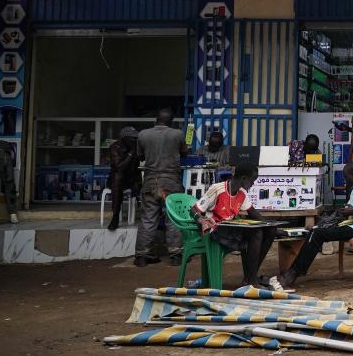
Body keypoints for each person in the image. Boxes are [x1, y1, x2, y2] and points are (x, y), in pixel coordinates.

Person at [270, 161, 353, 292]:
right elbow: (348, 212)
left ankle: (291, 275)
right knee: (316, 232)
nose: (345, 180)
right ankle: (291, 273)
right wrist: (322, 222)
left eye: (346, 176)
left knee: (318, 234)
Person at [192, 163, 275, 287]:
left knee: (271, 231)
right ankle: (251, 280)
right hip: (216, 230)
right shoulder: (217, 189)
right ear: (243, 179)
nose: (253, 184)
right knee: (256, 234)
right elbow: (194, 210)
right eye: (252, 180)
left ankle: (249, 277)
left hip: (230, 230)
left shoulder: (241, 193)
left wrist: (274, 225)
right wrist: (201, 220)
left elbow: (254, 214)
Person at [136, 108, 187, 267]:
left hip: (151, 181)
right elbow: (184, 152)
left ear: (156, 120)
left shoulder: (143, 134)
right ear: (171, 121)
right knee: (173, 218)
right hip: (171, 182)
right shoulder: (177, 134)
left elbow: (140, 156)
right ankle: (176, 255)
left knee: (148, 218)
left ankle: (142, 256)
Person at [106, 126, 141, 231]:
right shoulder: (115, 147)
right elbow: (119, 167)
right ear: (124, 138)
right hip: (115, 180)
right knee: (118, 177)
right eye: (132, 138)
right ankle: (115, 216)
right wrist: (131, 154)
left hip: (132, 178)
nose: (135, 140)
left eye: (136, 138)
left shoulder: (137, 146)